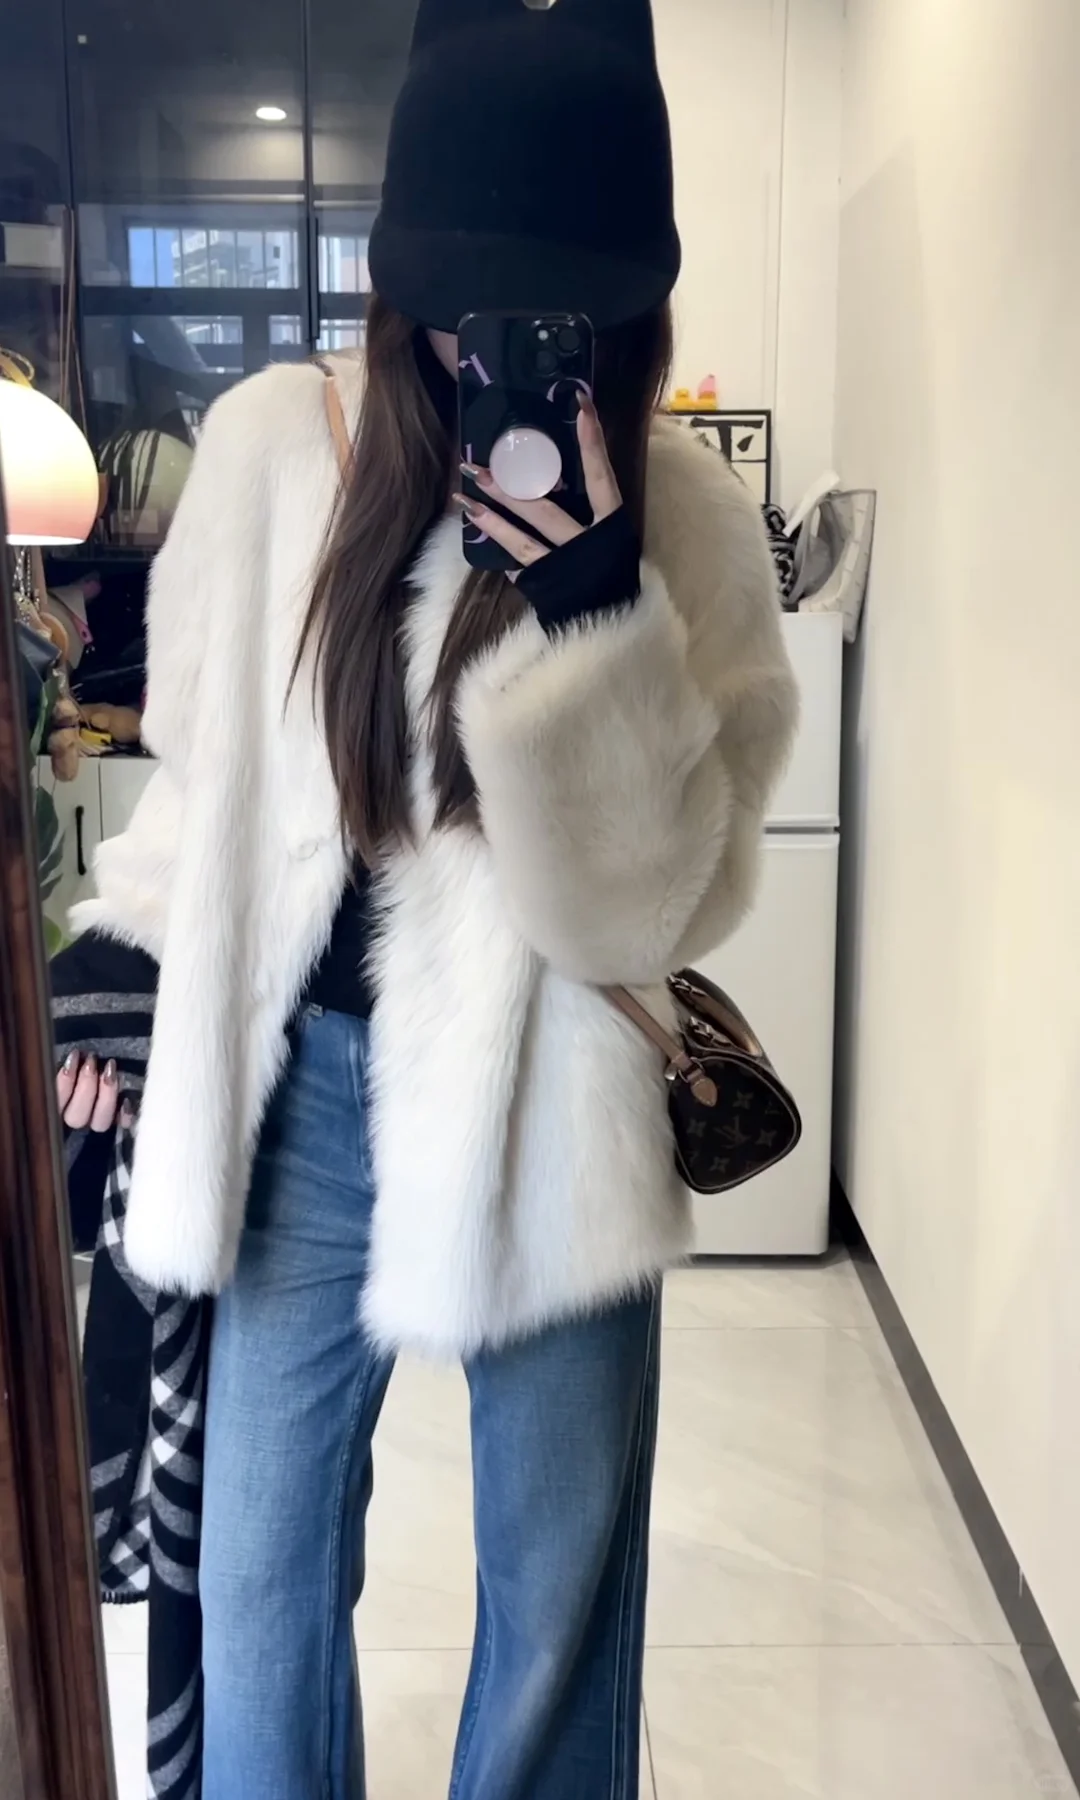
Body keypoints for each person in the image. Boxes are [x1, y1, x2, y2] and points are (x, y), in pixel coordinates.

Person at [57, 1, 798, 1794]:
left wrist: (598, 621)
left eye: (560, 308)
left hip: (564, 1093)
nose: (500, 341)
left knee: (558, 1601)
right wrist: (120, 971)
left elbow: (649, 926)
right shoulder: (272, 447)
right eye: (467, 297)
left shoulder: (690, 525)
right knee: (257, 1576)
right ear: (401, 281)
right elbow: (206, 786)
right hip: (301, 1105)